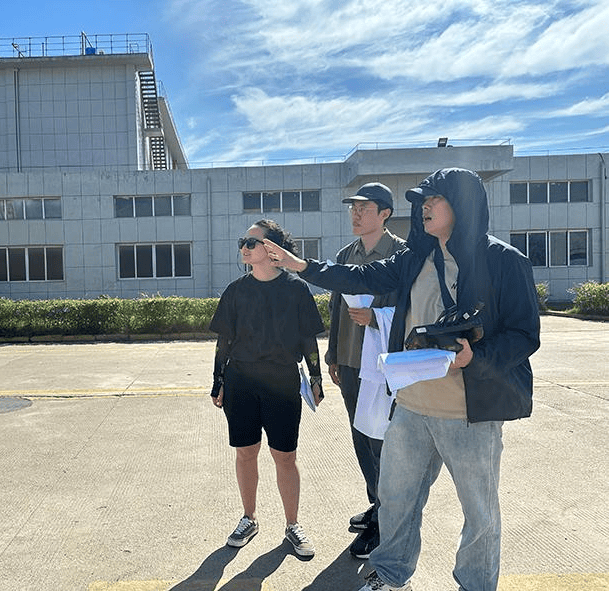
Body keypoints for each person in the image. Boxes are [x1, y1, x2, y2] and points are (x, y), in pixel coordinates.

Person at [262, 168, 540, 591]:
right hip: (410, 405)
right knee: (395, 500)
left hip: (469, 412)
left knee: (479, 513)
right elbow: (361, 277)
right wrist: (302, 266)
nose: (424, 206)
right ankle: (392, 576)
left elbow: (524, 335)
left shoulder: (504, 260)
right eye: (422, 201)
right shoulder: (416, 256)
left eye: (434, 199)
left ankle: (475, 585)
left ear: (461, 204)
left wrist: (477, 356)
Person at [209, 219, 325, 557]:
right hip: (241, 381)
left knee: (285, 455)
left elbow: (308, 340)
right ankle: (249, 518)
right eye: (242, 243)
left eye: (251, 242)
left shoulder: (296, 289)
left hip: (282, 381)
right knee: (246, 452)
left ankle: (292, 525)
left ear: (272, 248)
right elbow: (224, 341)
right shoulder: (236, 290)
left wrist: (316, 377)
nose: (244, 248)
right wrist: (217, 381)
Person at [326, 183, 405, 559]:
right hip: (350, 361)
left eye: (364, 208)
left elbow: (413, 308)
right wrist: (333, 354)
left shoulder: (402, 253)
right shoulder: (346, 254)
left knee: (383, 442)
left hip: (384, 365)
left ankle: (388, 519)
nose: (356, 215)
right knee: (361, 438)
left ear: (385, 213)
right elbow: (336, 308)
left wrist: (376, 317)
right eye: (353, 208)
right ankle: (377, 504)